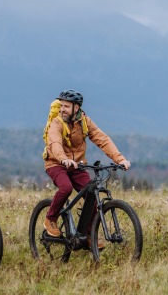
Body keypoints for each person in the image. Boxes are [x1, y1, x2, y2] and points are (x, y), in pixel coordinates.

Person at [43, 90, 131, 250]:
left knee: (92, 196)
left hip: (77, 165)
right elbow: (54, 143)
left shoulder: (84, 122)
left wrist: (120, 159)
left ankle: (88, 236)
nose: (62, 109)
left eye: (66, 106)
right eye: (61, 105)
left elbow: (102, 139)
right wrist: (63, 159)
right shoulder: (56, 122)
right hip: (56, 163)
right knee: (66, 188)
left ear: (76, 108)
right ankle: (50, 219)